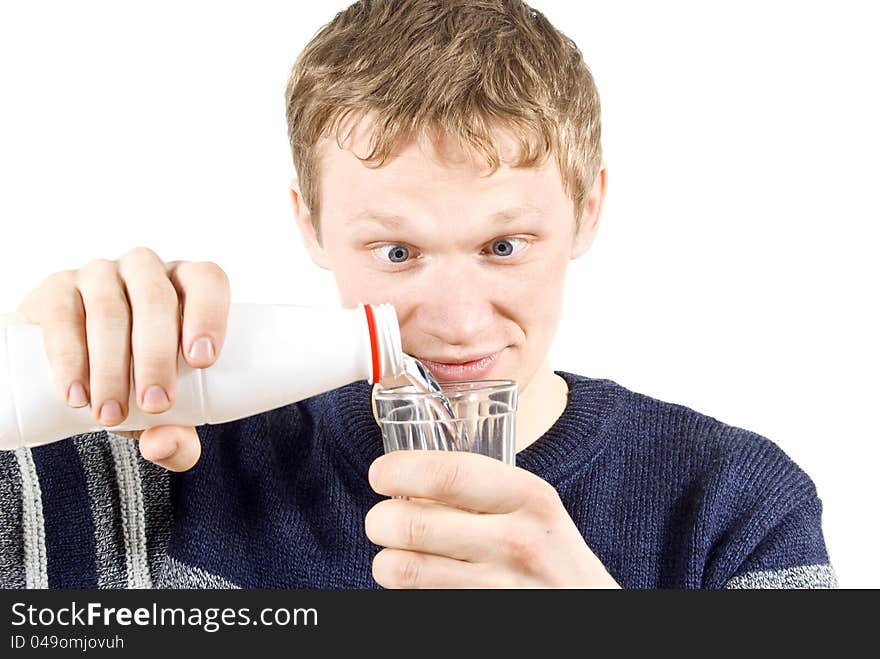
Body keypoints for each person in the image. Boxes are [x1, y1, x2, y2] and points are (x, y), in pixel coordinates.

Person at [0, 0, 835, 589]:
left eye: (504, 245)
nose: (459, 322)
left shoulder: (736, 504)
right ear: (310, 223)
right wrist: (29, 372)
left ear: (587, 211)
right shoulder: (165, 465)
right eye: (396, 250)